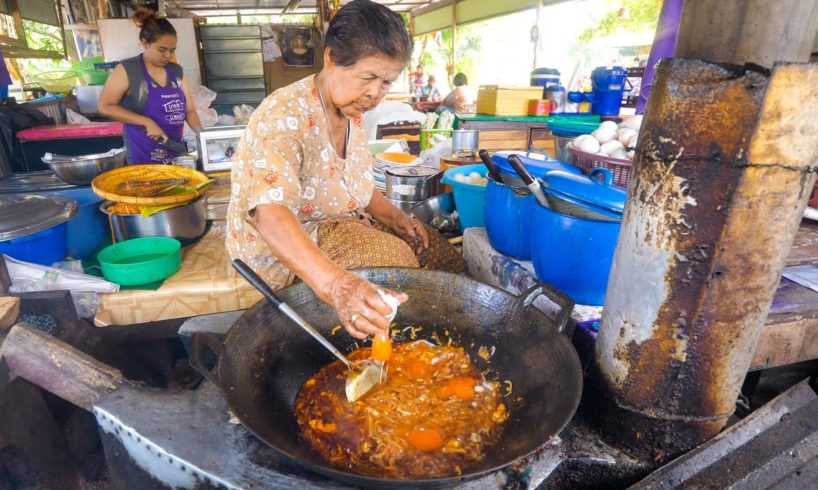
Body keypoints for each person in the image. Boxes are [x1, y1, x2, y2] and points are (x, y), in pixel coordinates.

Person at [226, 0, 465, 341]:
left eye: (386, 82)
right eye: (368, 77)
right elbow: (268, 214)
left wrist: (399, 220)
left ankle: (436, 347)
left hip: (338, 223)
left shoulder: (351, 111)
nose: (374, 94)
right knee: (395, 261)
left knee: (436, 251)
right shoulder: (283, 114)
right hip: (282, 244)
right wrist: (337, 285)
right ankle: (390, 353)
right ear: (331, 57)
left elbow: (357, 185)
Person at [98, 8, 200, 164]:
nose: (168, 55)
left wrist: (203, 135)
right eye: (162, 49)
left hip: (174, 149)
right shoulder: (127, 69)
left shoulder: (176, 71)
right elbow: (105, 107)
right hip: (142, 152)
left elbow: (190, 110)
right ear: (145, 43)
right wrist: (147, 122)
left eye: (172, 50)